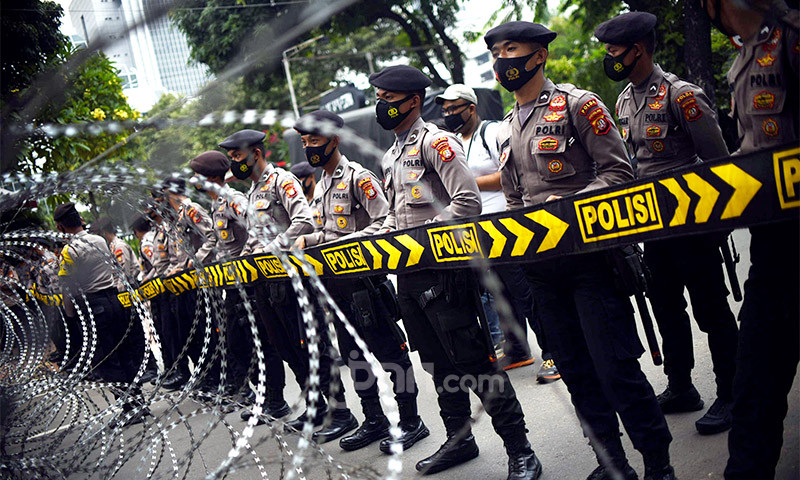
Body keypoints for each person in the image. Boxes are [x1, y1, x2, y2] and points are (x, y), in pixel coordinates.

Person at [485, 21, 676, 480]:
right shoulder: (507, 126)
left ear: (538, 57)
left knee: (615, 370)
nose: (501, 59)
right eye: (496, 52)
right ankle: (611, 462)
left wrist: (568, 203)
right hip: (539, 272)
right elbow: (513, 202)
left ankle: (658, 464)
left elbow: (619, 173)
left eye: (511, 49)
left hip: (589, 263)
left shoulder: (578, 105)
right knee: (576, 373)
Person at [370, 64, 542, 480]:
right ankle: (459, 439)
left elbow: (467, 202)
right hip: (409, 275)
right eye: (378, 98)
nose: (381, 106)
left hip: (446, 271)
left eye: (388, 99)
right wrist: (368, 237)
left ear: (412, 101)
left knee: (476, 362)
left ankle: (521, 450)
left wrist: (422, 236)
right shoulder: (392, 154)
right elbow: (395, 216)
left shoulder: (437, 143)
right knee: (438, 363)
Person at [594, 11, 739, 435]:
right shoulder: (623, 99)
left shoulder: (682, 95)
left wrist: (716, 226)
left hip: (692, 226)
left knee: (711, 310)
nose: (609, 58)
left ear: (637, 50)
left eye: (614, 51)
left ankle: (731, 392)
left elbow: (719, 164)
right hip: (654, 228)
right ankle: (681, 387)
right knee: (666, 308)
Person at [700, 1, 799, 478]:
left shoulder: (792, 38)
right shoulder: (748, 51)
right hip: (773, 247)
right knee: (755, 379)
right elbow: (754, 147)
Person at [292, 110, 428, 452]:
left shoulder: (358, 177)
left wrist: (341, 243)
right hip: (337, 287)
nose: (309, 148)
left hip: (365, 285)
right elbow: (328, 230)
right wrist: (310, 239)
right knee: (354, 356)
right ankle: (375, 420)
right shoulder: (322, 182)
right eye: (305, 142)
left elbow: (385, 221)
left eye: (315, 141)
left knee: (389, 355)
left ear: (334, 141)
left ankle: (412, 422)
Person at [219, 129, 358, 442]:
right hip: (265, 285)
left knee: (313, 347)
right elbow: (252, 239)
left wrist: (275, 246)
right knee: (286, 348)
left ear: (255, 153)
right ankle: (315, 407)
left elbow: (304, 222)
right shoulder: (252, 193)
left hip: (291, 280)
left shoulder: (282, 181)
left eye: (237, 156)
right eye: (231, 158)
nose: (234, 162)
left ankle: (342, 413)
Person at [435, 84, 560, 382]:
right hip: (476, 231)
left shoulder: (491, 133)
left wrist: (466, 185)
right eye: (445, 110)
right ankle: (517, 349)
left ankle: (553, 351)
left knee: (525, 291)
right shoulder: (453, 142)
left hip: (504, 223)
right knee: (498, 293)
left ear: (471, 108)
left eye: (454, 108)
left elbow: (508, 174)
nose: (449, 114)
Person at [189, 150, 290, 415]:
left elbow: (257, 229)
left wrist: (247, 258)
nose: (194, 181)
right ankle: (261, 395)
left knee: (261, 342)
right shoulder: (216, 203)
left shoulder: (233, 200)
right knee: (237, 341)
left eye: (198, 176)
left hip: (248, 281)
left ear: (211, 177)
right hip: (232, 285)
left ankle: (275, 400)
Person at [53, 202, 149, 426]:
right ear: (80, 220)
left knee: (107, 360)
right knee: (124, 353)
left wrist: (69, 315)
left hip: (94, 307)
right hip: (114, 300)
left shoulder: (70, 251)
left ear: (60, 227)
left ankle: (128, 407)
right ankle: (139, 402)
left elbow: (68, 287)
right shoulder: (99, 240)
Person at [159, 177, 220, 393]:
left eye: (163, 195)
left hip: (202, 280)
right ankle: (205, 376)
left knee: (207, 332)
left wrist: (192, 263)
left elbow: (212, 238)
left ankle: (216, 378)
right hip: (186, 283)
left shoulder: (191, 209)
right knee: (194, 334)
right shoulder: (177, 217)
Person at [93, 216, 154, 385]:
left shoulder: (119, 247)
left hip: (127, 293)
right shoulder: (112, 247)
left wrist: (116, 294)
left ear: (104, 232)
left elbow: (124, 275)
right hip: (122, 295)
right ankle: (143, 366)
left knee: (137, 332)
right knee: (132, 333)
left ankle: (150, 367)